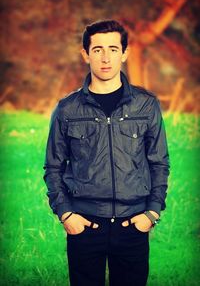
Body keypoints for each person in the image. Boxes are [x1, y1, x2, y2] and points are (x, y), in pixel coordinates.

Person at [43, 19, 170, 286]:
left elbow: (159, 163)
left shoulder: (146, 106)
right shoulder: (67, 109)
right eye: (97, 49)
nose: (105, 58)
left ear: (124, 53)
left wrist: (152, 214)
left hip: (133, 224)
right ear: (85, 54)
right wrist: (66, 214)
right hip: (85, 226)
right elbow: (53, 167)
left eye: (113, 49)